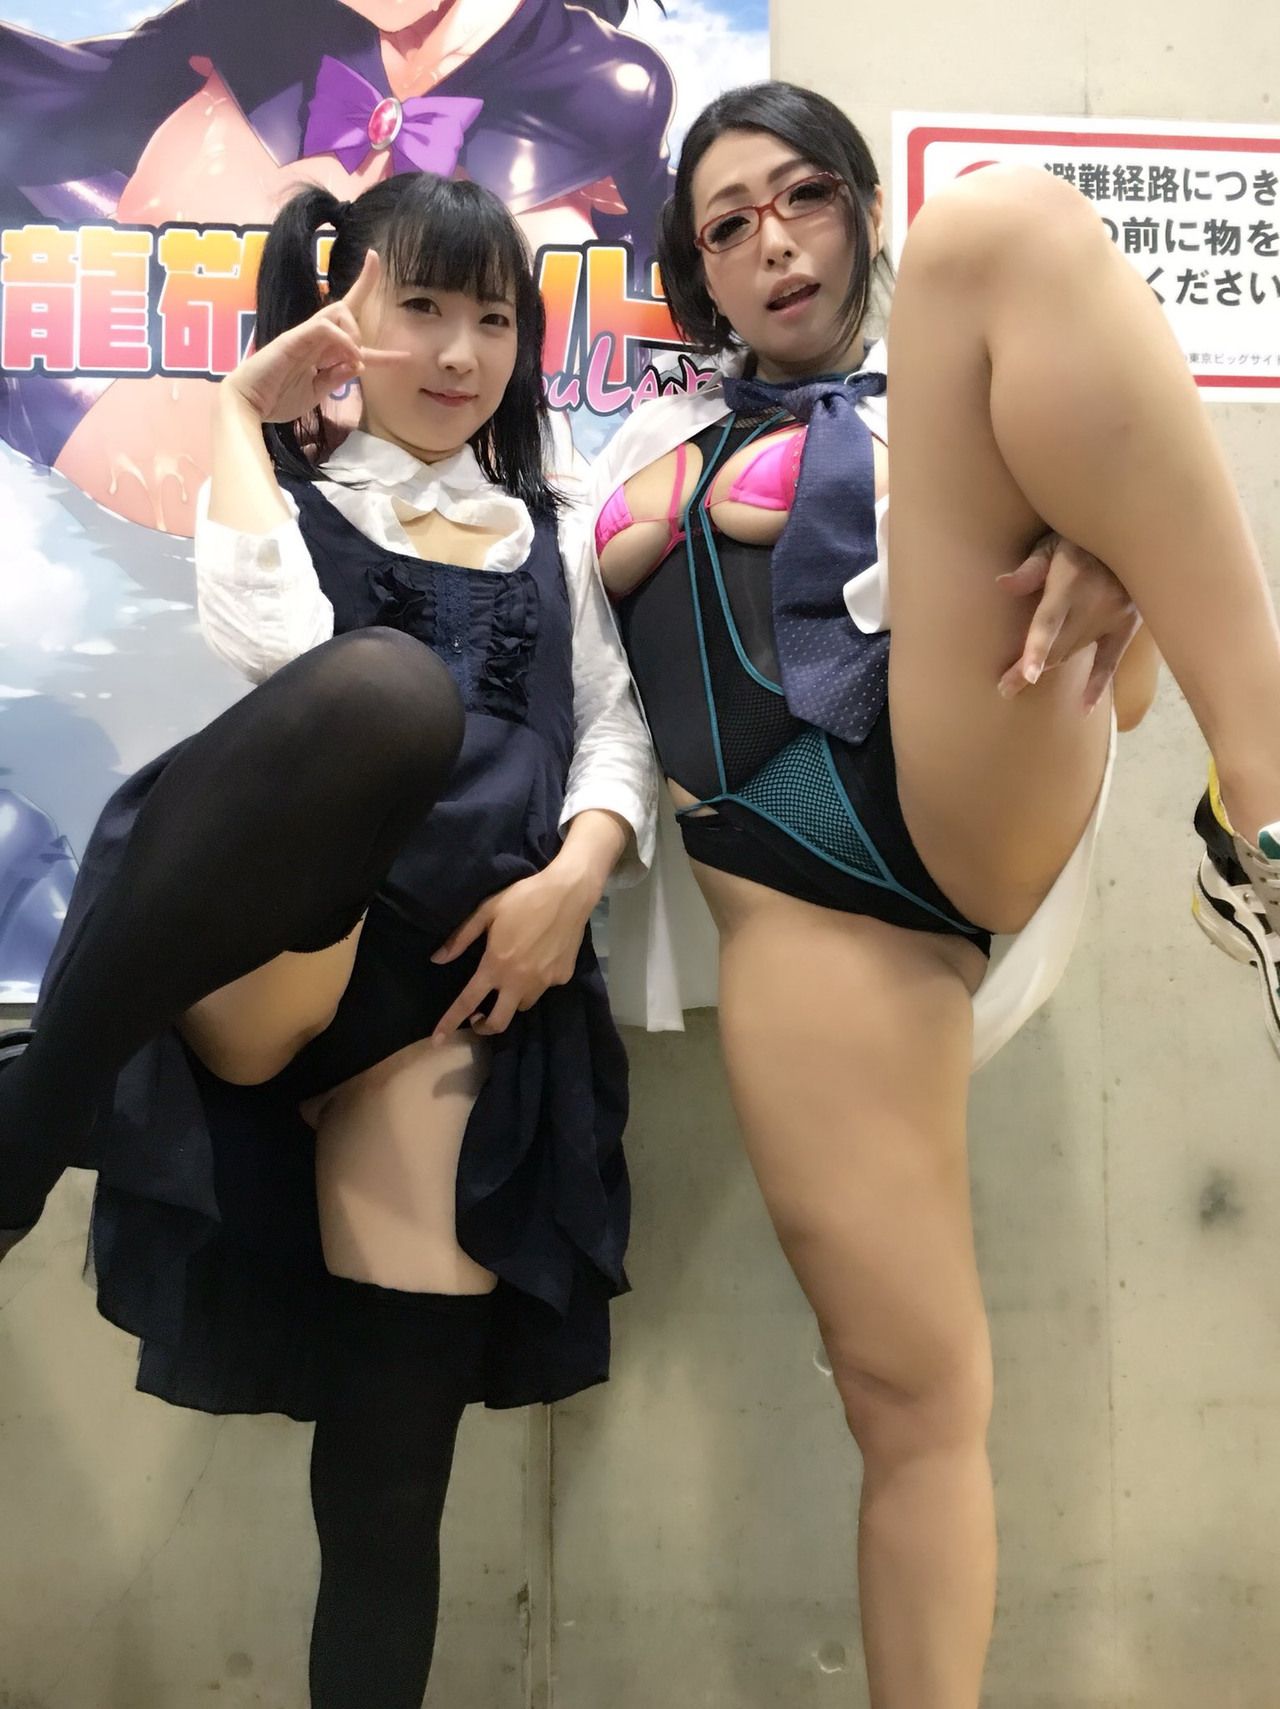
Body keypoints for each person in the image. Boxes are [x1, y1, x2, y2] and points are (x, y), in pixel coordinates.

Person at [591, 78, 1278, 1709]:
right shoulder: (633, 449)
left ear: (856, 208)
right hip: (793, 899)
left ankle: (1263, 818)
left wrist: (1114, 560)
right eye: (730, 223)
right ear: (698, 272)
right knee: (906, 1392)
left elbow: (1113, 699)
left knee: (1007, 222)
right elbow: (593, 706)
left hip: (964, 776)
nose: (774, 240)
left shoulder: (962, 402)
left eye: (804, 196)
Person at [0, 169, 656, 1708]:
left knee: (392, 1480)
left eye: (492, 317)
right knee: (382, 694)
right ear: (344, 318)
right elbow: (274, 652)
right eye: (419, 306)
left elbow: (613, 728)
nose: (460, 351)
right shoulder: (301, 499)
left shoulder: (552, 525)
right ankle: (27, 1130)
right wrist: (242, 412)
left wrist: (577, 875)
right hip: (294, 950)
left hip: (453, 1003)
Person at [0, 0, 674, 532]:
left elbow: (661, 287)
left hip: (459, 542)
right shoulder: (249, 24)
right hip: (158, 507)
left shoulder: (604, 90)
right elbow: (60, 110)